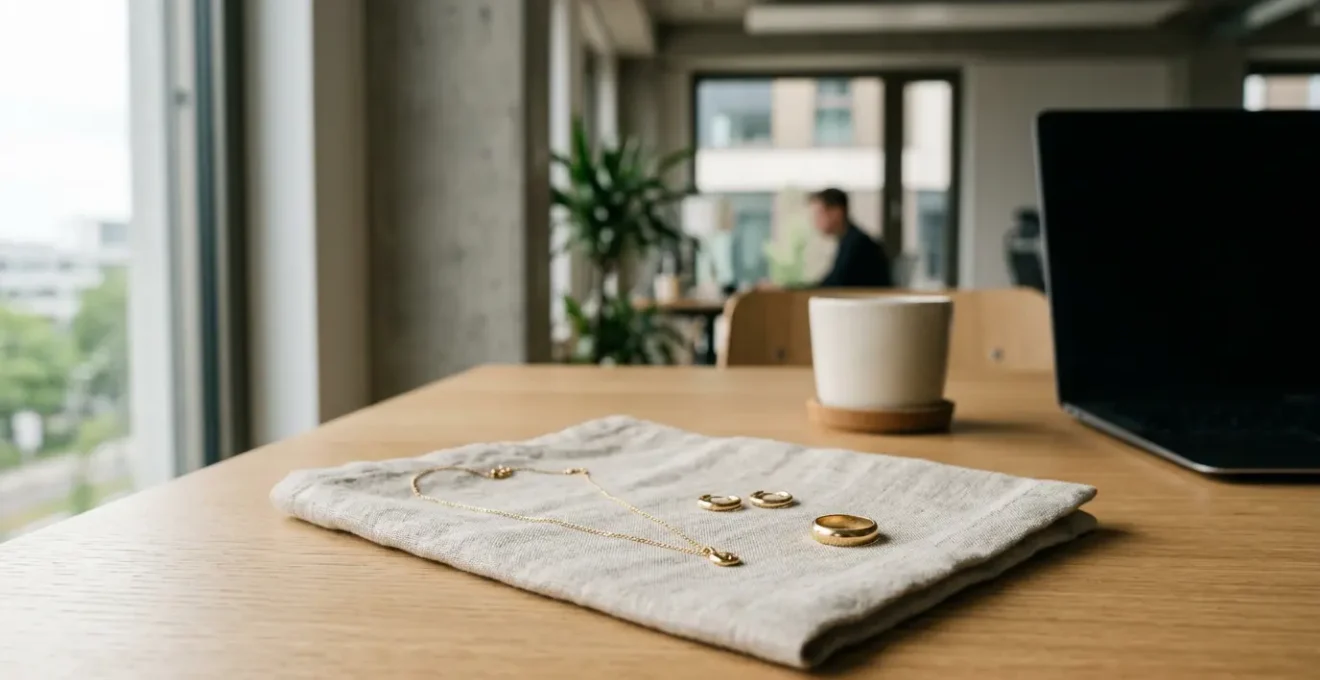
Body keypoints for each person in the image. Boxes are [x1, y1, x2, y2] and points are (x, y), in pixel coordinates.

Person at [762, 188, 893, 289]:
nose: (814, 221)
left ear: (837, 212)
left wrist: (785, 289)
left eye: (818, 213)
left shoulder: (857, 245)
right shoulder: (849, 241)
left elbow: (831, 286)